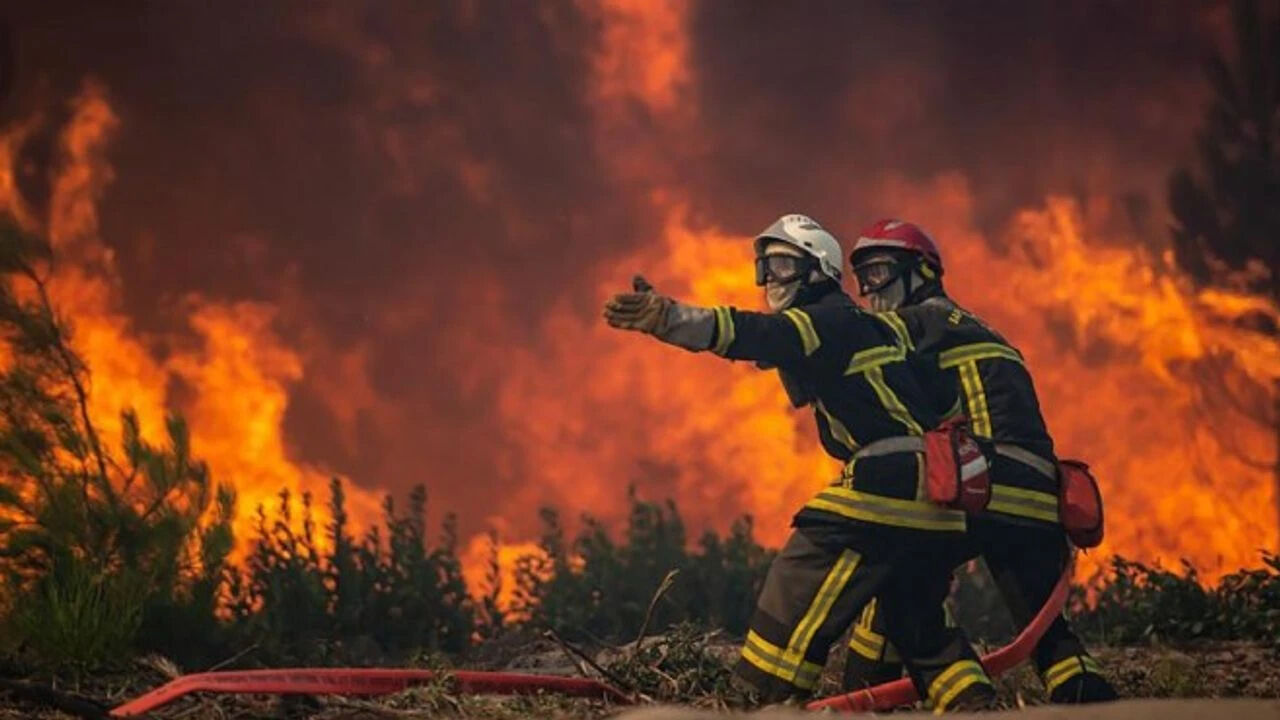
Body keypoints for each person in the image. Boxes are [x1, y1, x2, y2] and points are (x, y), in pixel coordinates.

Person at [604, 214, 996, 711]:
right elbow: (942, 401)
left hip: (889, 479)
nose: (770, 280)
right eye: (764, 268)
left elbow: (753, 334)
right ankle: (974, 703)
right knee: (916, 620)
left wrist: (668, 318)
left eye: (785, 265)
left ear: (820, 271)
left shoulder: (824, 317)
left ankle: (762, 698)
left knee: (798, 574)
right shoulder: (873, 327)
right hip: (939, 496)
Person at [843, 218, 1117, 703]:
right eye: (862, 278)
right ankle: (1082, 690)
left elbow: (850, 343)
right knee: (1041, 618)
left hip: (983, 483)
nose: (869, 290)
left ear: (921, 272)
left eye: (880, 272)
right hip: (1038, 493)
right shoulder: (977, 326)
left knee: (898, 575)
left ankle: (950, 693)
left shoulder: (915, 323)